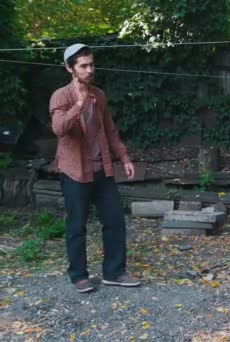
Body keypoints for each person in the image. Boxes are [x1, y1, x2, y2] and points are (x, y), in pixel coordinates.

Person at [49, 43, 140, 293]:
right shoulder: (61, 96)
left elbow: (110, 130)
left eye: (92, 64)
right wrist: (78, 105)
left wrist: (124, 157)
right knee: (76, 225)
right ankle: (79, 275)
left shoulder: (98, 95)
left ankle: (114, 272)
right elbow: (58, 129)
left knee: (114, 221)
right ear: (70, 68)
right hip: (74, 171)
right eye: (84, 66)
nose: (90, 70)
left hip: (102, 170)